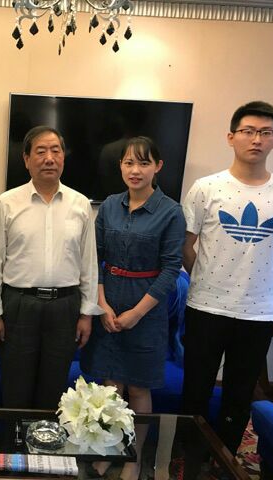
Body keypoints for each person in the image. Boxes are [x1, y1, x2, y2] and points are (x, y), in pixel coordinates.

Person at [181, 101, 273, 456]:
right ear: (231, 137)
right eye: (248, 131)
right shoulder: (206, 187)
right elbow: (185, 245)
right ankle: (189, 459)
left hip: (258, 312)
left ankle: (226, 459)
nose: (256, 139)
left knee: (239, 395)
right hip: (206, 306)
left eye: (265, 132)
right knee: (195, 390)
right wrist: (206, 277)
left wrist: (253, 278)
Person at [80, 136, 186, 479]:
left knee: (139, 386)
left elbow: (171, 269)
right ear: (120, 167)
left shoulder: (171, 211)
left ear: (158, 166)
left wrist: (137, 313)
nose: (135, 170)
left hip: (147, 307)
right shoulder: (110, 205)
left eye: (143, 163)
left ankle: (134, 457)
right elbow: (95, 258)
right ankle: (109, 449)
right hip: (108, 300)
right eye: (129, 163)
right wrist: (102, 304)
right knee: (110, 383)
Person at [0, 125, 101, 410]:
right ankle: (14, 438)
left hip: (65, 307)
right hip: (19, 304)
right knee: (15, 387)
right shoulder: (7, 202)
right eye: (41, 151)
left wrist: (86, 313)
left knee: (54, 389)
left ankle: (47, 439)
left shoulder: (80, 204)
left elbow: (89, 263)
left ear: (63, 157)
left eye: (55, 151)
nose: (49, 158)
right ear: (26, 159)